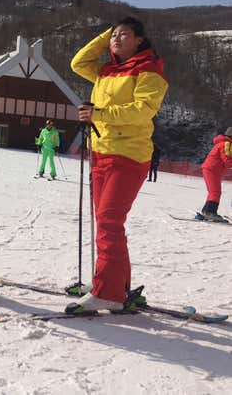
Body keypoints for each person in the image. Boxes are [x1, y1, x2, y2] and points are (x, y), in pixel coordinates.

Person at [66, 17, 168, 314]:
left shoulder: (149, 70)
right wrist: (105, 36)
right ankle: (115, 286)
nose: (117, 39)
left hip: (129, 154)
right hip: (101, 151)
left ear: (139, 40)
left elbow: (143, 110)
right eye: (114, 35)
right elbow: (77, 62)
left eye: (124, 35)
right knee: (108, 224)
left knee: (109, 222)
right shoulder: (106, 70)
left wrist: (99, 114)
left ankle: (108, 291)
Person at [197, 128, 232, 222]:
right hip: (212, 170)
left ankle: (206, 211)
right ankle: (210, 212)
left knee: (213, 192)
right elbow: (227, 159)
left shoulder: (223, 143)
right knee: (215, 192)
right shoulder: (226, 144)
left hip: (211, 169)